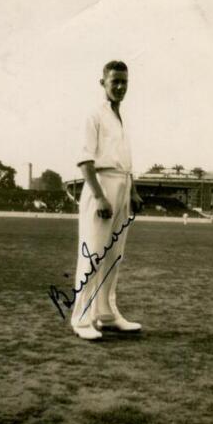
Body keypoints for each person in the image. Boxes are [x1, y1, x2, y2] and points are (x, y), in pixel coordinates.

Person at [71, 60, 143, 340]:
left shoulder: (121, 118)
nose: (121, 87)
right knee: (93, 255)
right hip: (101, 187)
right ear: (103, 82)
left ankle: (106, 314)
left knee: (114, 256)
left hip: (122, 186)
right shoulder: (94, 115)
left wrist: (133, 191)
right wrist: (100, 197)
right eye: (115, 82)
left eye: (124, 82)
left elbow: (125, 161)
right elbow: (85, 159)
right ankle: (81, 318)